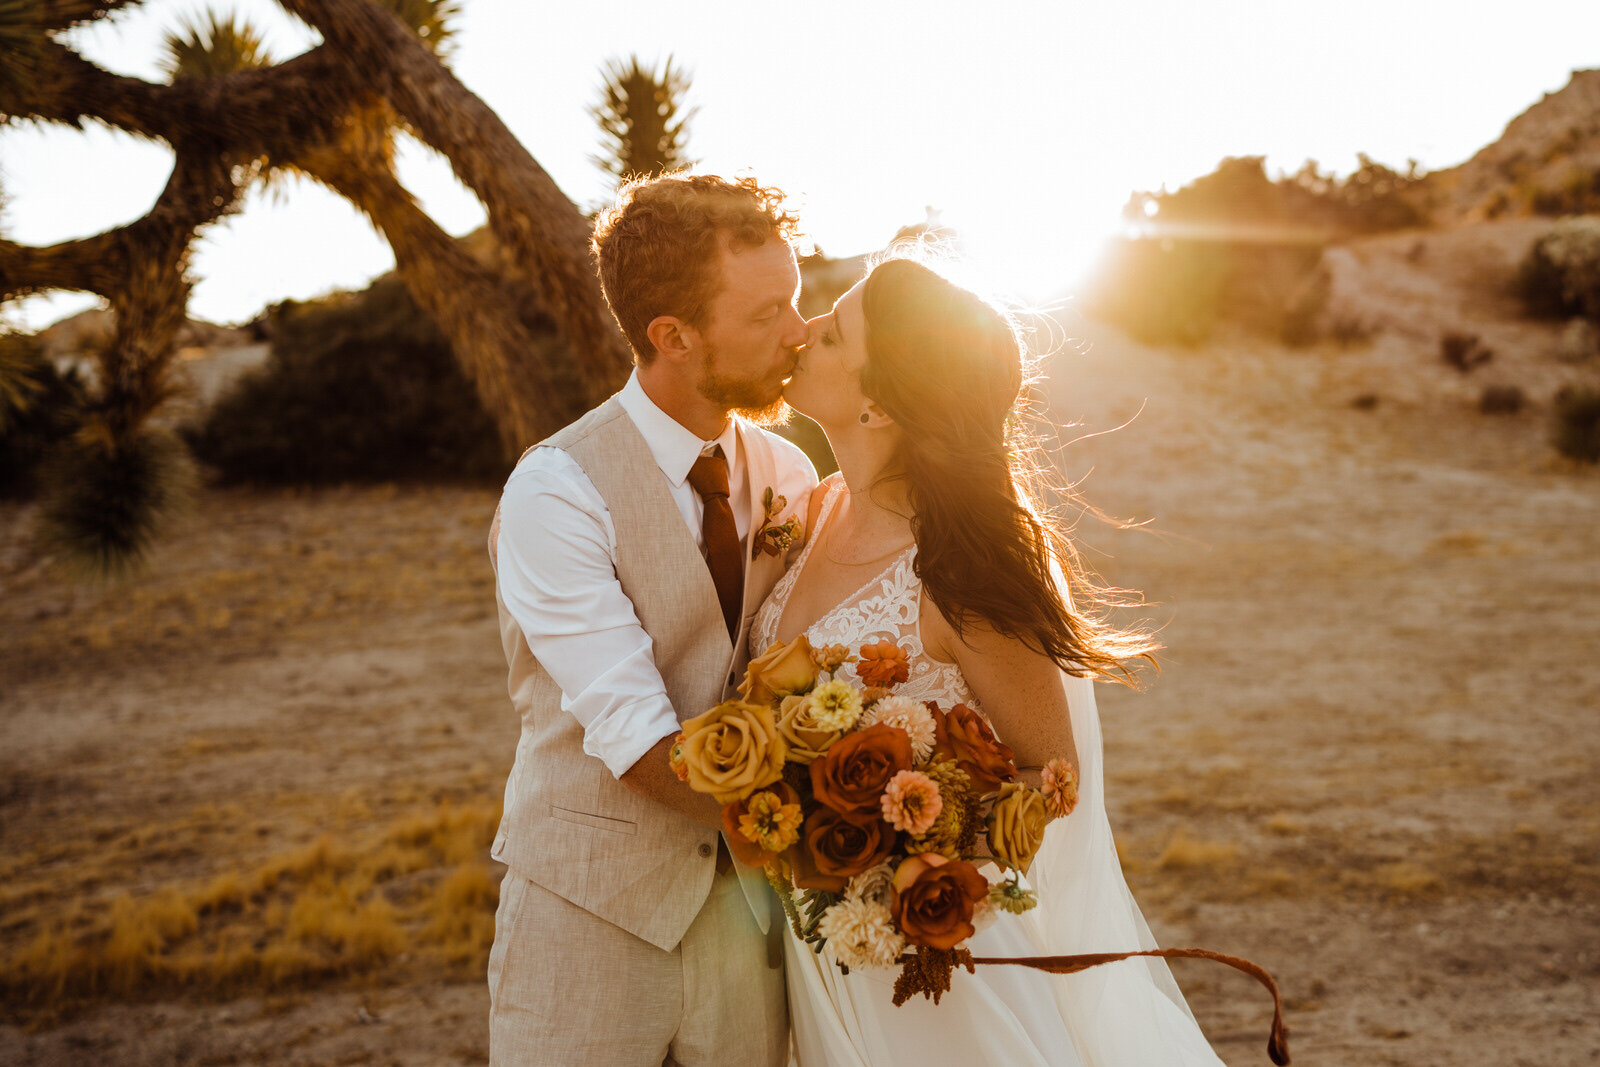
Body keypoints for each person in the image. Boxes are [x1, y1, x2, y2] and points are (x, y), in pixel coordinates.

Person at [751, 255, 1226, 1065]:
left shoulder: (957, 572)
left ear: (876, 406)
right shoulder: (813, 507)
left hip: (932, 972)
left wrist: (901, 849)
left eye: (831, 335)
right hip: (814, 950)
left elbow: (1052, 775)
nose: (803, 337)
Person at [485, 173, 817, 1066]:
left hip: (750, 926)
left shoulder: (788, 474)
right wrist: (830, 828)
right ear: (672, 336)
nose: (798, 331)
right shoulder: (557, 490)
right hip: (589, 913)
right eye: (766, 313)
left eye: (797, 298)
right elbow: (635, 739)